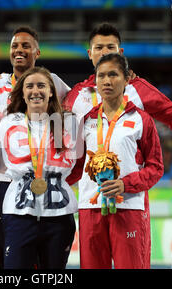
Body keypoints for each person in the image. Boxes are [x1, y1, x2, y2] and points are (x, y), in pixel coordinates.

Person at [0, 26, 71, 269]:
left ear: (38, 52)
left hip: (45, 181)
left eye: (26, 46)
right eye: (15, 46)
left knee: (44, 258)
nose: (19, 50)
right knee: (7, 258)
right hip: (5, 183)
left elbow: (73, 102)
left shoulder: (53, 82)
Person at [69, 53, 164, 268]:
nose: (106, 81)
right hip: (90, 207)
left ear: (127, 79)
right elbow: (75, 167)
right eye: (101, 76)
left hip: (128, 207)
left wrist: (125, 184)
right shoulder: (86, 120)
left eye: (113, 74)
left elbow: (156, 167)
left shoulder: (141, 119)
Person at [62, 22, 172, 129]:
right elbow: (56, 129)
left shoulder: (138, 89)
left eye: (110, 47)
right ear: (90, 54)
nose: (104, 52)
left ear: (120, 52)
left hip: (128, 178)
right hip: (86, 178)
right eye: (98, 48)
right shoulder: (78, 93)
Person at [0, 66, 77, 269]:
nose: (36, 91)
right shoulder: (7, 123)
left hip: (59, 217)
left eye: (41, 86)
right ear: (22, 93)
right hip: (19, 213)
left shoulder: (67, 123)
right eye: (29, 86)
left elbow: (79, 164)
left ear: (51, 91)